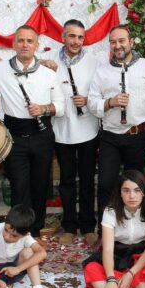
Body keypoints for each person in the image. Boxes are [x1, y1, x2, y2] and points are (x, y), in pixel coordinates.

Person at [0, 25, 64, 238]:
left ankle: (35, 230)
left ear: (37, 46)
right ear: (13, 44)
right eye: (21, 40)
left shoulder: (48, 73)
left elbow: (60, 106)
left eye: (29, 41)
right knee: (18, 185)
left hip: (42, 133)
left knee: (40, 184)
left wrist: (44, 108)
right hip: (14, 134)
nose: (25, 44)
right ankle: (19, 231)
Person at [88, 25, 145, 231]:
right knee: (106, 184)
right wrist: (110, 102)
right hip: (110, 136)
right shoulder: (101, 72)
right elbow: (92, 103)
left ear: (131, 42)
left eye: (121, 41)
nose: (117, 45)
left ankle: (136, 230)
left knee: (135, 186)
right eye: (113, 42)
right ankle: (106, 231)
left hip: (138, 135)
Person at [39, 20, 100, 245]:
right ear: (63, 37)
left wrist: (88, 99)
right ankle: (69, 225)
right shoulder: (49, 63)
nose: (76, 42)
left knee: (86, 180)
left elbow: (101, 92)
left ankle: (88, 225)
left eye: (80, 37)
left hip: (88, 130)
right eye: (71, 36)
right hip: (62, 130)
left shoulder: (94, 63)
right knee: (65, 180)